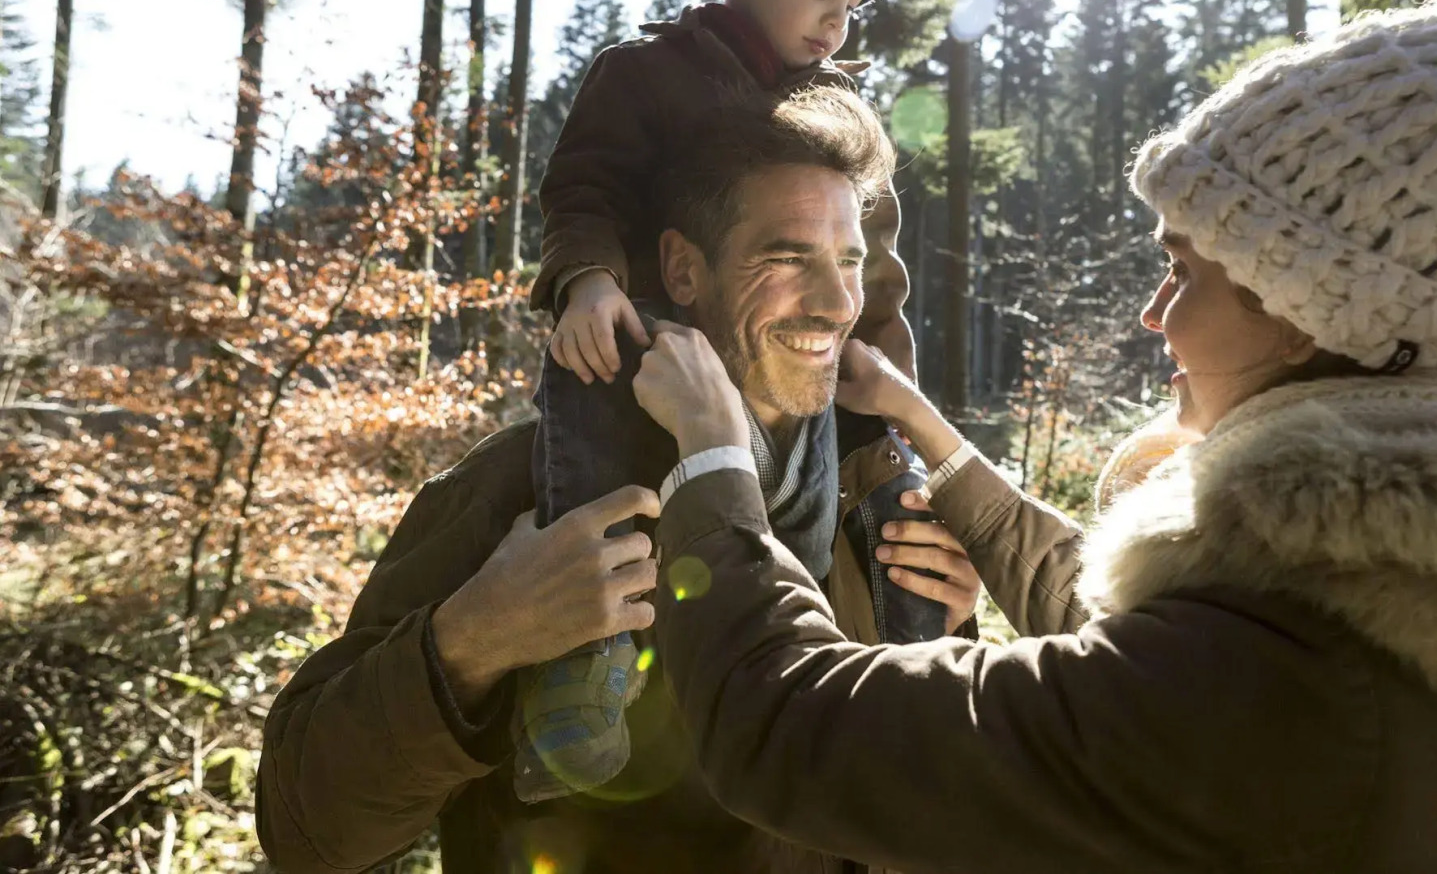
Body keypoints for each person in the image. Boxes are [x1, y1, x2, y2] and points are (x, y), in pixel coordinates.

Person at [634, 0, 1437, 872]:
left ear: (1301, 316)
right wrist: (930, 433)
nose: (1155, 314)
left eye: (1182, 273)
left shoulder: (1279, 686)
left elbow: (794, 727)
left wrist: (713, 460)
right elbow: (1144, 636)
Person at [254, 87, 981, 874]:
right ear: (682, 268)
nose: (837, 301)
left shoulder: (883, 503)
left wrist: (949, 645)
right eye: (785, 257)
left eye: (847, 261)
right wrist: (470, 641)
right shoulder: (530, 488)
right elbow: (305, 834)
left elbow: (941, 801)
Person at [517, 0, 942, 795]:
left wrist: (895, 384)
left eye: (858, 6)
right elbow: (584, 189)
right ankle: (583, 645)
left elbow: (872, 271)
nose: (838, 21)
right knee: (585, 375)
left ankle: (908, 645)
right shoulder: (646, 74)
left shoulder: (839, 116)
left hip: (793, 352)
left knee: (892, 463)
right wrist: (587, 280)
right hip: (656, 338)